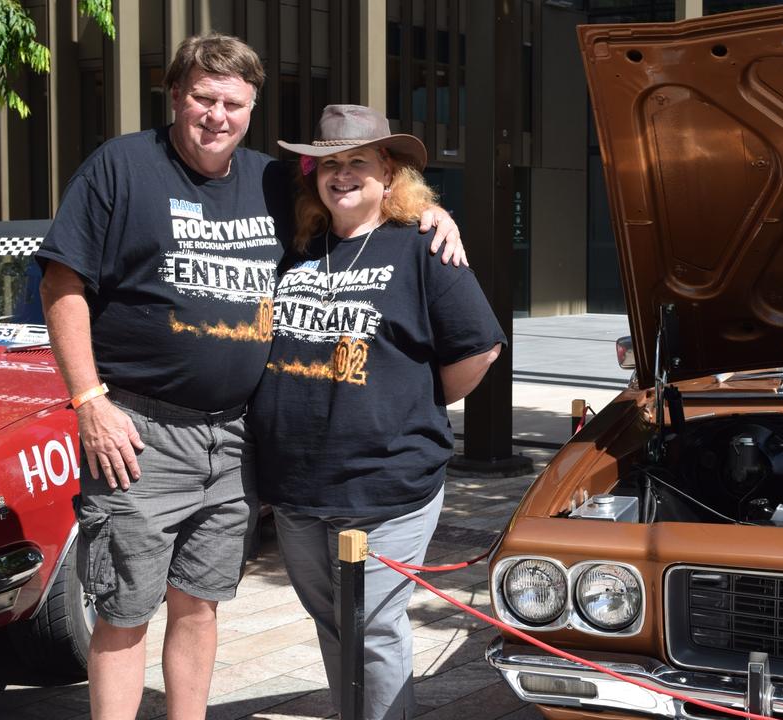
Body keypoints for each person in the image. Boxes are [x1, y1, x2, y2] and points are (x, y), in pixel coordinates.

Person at [36, 35, 463, 720]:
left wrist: (427, 214)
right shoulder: (121, 166)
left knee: (200, 605)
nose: (217, 115)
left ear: (252, 109)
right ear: (175, 96)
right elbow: (64, 282)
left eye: (233, 103)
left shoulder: (270, 182)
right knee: (124, 609)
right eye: (203, 98)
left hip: (235, 439)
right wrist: (89, 399)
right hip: (139, 434)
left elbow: (356, 199)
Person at [249, 105, 505, 720]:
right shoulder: (297, 248)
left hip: (388, 481)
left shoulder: (422, 245)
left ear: (388, 171)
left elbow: (480, 347)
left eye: (357, 162)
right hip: (296, 483)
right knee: (332, 622)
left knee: (374, 625)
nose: (342, 176)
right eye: (329, 164)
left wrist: (413, 398)